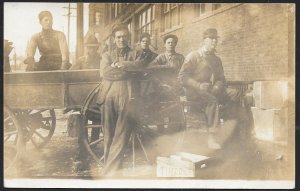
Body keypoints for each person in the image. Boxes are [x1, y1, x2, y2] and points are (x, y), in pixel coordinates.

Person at [96, 24, 152, 176]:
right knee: (108, 136)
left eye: (124, 37)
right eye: (118, 37)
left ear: (128, 38)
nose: (121, 39)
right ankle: (112, 168)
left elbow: (140, 66)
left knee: (121, 135)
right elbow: (105, 72)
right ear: (114, 39)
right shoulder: (107, 55)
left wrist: (121, 65)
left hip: (128, 96)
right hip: (108, 96)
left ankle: (109, 172)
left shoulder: (136, 53)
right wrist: (128, 72)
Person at [178, 28, 241, 149]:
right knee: (211, 100)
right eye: (211, 39)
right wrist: (198, 85)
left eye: (215, 39)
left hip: (208, 89)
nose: (214, 42)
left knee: (234, 93)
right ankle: (212, 137)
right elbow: (182, 76)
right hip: (193, 90)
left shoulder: (216, 59)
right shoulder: (193, 56)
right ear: (204, 40)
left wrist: (217, 87)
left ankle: (229, 127)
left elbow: (221, 78)